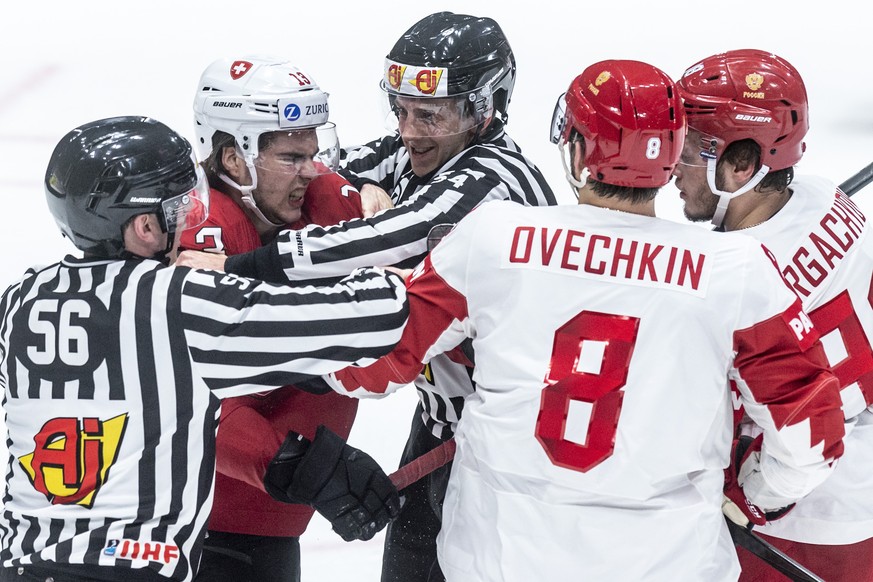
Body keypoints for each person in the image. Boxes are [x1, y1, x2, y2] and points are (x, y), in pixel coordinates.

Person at [324, 59, 847, 581]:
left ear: (576, 149)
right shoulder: (737, 271)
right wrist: (752, 496)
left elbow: (365, 368)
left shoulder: (493, 239)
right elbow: (810, 437)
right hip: (668, 562)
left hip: (500, 559)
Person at [175, 12, 557, 581]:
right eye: (399, 109)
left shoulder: (494, 179)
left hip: (507, 447)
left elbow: (386, 237)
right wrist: (357, 185)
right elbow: (328, 171)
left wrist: (240, 265)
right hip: (445, 425)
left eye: (429, 114)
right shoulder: (417, 154)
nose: (408, 130)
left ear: (485, 108)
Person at [0, 115, 406, 582]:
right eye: (181, 209)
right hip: (135, 570)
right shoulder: (181, 301)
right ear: (146, 227)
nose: (192, 221)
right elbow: (375, 316)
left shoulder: (20, 301)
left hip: (23, 565)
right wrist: (379, 246)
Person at [675, 48, 873, 581]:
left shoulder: (742, 279)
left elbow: (802, 435)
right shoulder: (825, 196)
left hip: (801, 516)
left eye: (692, 150)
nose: (673, 165)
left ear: (742, 165)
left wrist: (751, 498)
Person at [183, 55, 381, 582]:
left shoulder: (318, 201)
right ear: (233, 160)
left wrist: (370, 190)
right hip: (197, 534)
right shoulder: (203, 236)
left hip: (264, 523)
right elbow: (193, 407)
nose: (312, 170)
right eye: (292, 156)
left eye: (314, 153)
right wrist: (302, 466)